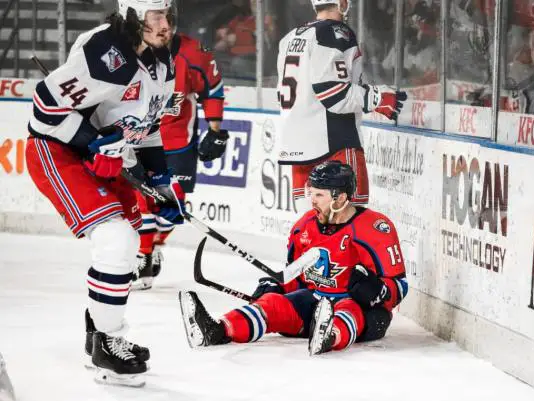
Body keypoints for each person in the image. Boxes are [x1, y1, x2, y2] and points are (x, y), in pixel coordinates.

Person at [25, 0, 183, 386]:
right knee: (116, 239)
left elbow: (149, 128)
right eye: (155, 16)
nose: (165, 24)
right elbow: (44, 110)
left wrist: (161, 181)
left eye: (168, 14)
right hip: (57, 151)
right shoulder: (106, 51)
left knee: (125, 251)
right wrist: (92, 142)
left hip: (105, 159)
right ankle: (109, 343)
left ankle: (98, 337)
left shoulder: (163, 62)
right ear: (132, 15)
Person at [179, 161, 408, 355]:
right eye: (311, 193)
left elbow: (400, 285)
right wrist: (275, 284)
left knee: (348, 309)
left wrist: (380, 291)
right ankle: (218, 330)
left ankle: (329, 336)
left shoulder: (375, 228)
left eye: (319, 195)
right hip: (314, 302)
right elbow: (296, 278)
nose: (312, 200)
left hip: (360, 310)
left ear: (341, 199)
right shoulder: (304, 227)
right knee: (272, 304)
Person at [276, 0, 407, 210]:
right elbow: (334, 94)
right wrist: (378, 99)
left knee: (312, 226)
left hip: (296, 145)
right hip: (333, 142)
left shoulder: (291, 36)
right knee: (347, 222)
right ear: (342, 3)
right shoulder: (334, 32)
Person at [132, 24, 228, 291]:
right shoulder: (126, 49)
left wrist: (215, 130)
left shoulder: (191, 52)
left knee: (174, 210)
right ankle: (143, 254)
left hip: (177, 140)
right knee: (143, 201)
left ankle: (155, 246)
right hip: (137, 138)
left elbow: (212, 89)